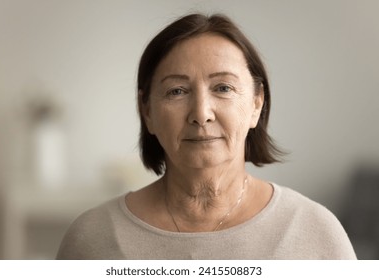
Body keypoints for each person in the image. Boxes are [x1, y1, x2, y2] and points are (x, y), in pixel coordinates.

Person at [56, 13, 356, 259]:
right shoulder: (92, 238)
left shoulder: (315, 232)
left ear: (256, 103)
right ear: (146, 111)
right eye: (177, 91)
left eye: (223, 88)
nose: (201, 113)